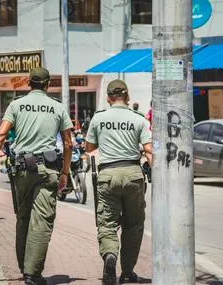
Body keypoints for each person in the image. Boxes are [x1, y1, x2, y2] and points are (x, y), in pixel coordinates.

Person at [0, 67, 74, 285]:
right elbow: (69, 142)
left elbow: (2, 133)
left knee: (23, 218)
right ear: (47, 84)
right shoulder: (57, 107)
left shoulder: (16, 105)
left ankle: (25, 267)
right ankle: (32, 274)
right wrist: (65, 172)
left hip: (22, 170)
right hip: (47, 170)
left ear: (28, 83)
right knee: (41, 221)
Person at [85, 80, 152, 285]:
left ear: (108, 97)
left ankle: (110, 255)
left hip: (108, 175)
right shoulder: (138, 119)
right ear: (128, 96)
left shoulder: (99, 119)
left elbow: (89, 147)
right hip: (133, 173)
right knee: (134, 224)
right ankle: (127, 271)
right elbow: (149, 150)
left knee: (107, 224)